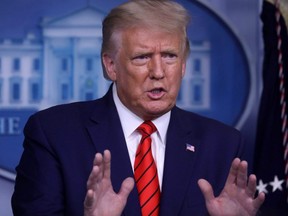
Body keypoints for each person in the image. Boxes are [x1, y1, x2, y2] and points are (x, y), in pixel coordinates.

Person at [11, 0, 265, 215]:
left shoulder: (223, 143)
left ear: (184, 65)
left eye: (169, 56)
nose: (158, 72)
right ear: (111, 66)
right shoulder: (54, 133)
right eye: (142, 57)